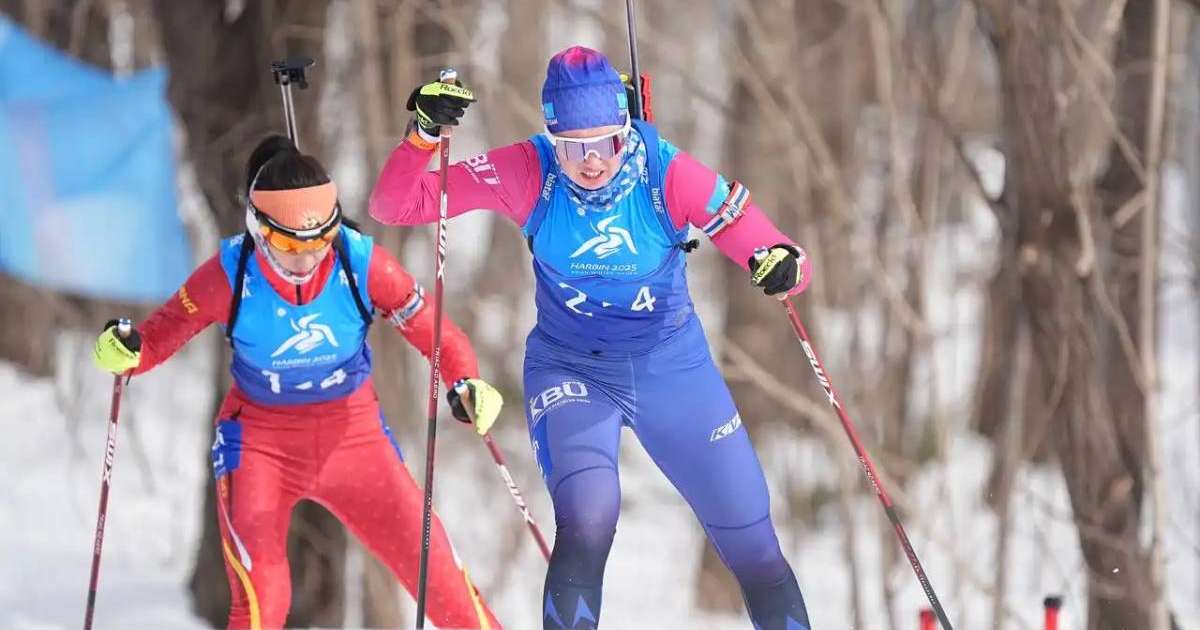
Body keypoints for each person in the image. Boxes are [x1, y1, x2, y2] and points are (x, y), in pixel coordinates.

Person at [369, 46, 813, 629]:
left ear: (626, 130)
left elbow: (775, 251)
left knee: (752, 541)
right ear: (553, 139)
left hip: (672, 368)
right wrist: (424, 134)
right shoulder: (527, 171)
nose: (591, 163)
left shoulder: (666, 172)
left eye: (604, 143)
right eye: (573, 147)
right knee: (588, 516)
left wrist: (779, 264)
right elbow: (394, 205)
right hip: (572, 368)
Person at [92, 134, 504, 630]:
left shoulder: (360, 263)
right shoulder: (230, 272)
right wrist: (123, 349)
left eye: (321, 240)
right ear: (258, 228)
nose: (306, 259)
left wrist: (466, 383)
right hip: (260, 445)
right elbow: (152, 341)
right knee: (263, 600)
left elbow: (439, 334)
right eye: (289, 244)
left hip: (355, 440)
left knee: (447, 589)